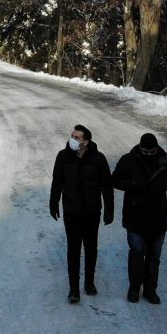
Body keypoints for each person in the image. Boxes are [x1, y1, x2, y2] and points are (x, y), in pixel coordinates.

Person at [109, 132, 167, 305]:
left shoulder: (165, 161)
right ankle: (134, 288)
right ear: (140, 148)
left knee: (153, 257)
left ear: (156, 148)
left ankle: (150, 290)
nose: (149, 154)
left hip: (158, 218)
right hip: (135, 217)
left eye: (152, 152)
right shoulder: (128, 160)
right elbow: (115, 180)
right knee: (136, 253)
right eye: (145, 152)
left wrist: (164, 185)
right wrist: (134, 184)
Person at [48, 124, 113, 303]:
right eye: (72, 136)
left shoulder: (98, 159)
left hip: (92, 212)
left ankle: (89, 283)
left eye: (77, 137)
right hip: (71, 211)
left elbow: (107, 186)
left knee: (91, 248)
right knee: (73, 249)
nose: (73, 139)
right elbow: (57, 181)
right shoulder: (63, 156)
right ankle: (74, 289)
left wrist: (109, 210)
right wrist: (53, 203)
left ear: (86, 141)